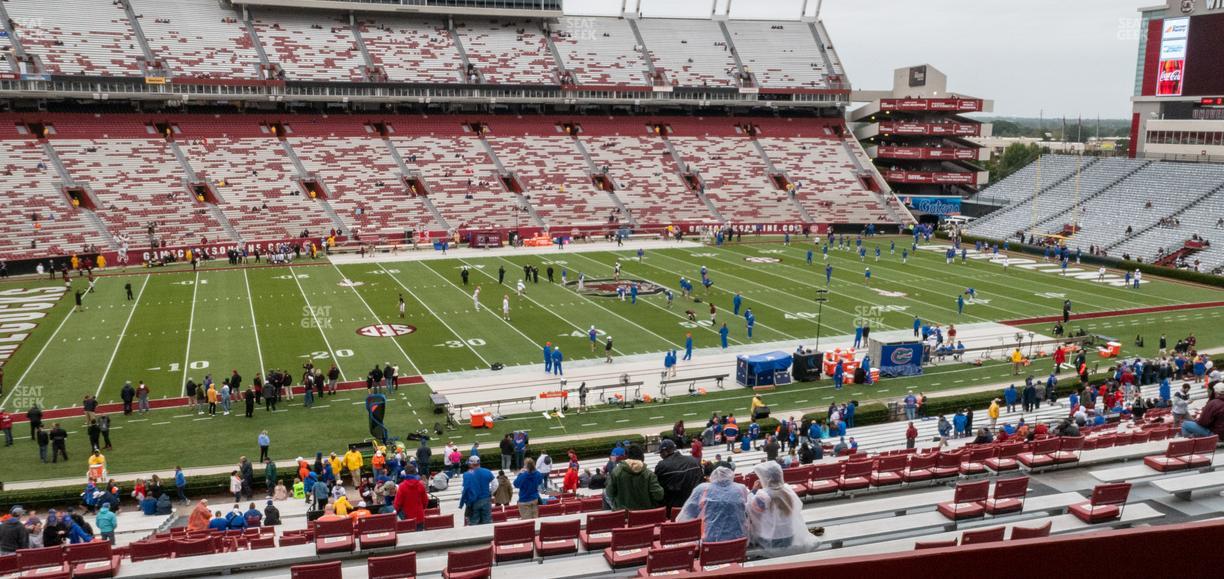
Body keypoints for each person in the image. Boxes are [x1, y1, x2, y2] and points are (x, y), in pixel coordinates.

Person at [747, 462, 820, 555]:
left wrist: (754, 490)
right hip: (790, 537)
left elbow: (750, 509)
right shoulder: (788, 489)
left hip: (771, 540)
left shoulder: (763, 496)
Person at [676, 467, 749, 542]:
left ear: (712, 477)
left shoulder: (702, 489)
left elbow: (686, 515)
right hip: (739, 541)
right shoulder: (740, 488)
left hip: (710, 542)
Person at [654, 439, 703, 518]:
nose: (660, 456)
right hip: (693, 508)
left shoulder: (662, 465)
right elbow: (701, 483)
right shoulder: (693, 461)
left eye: (660, 453)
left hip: (673, 511)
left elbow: (658, 489)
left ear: (665, 452)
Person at [605, 444, 663, 511]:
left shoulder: (616, 472)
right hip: (646, 515)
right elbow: (658, 495)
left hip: (624, 516)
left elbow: (609, 493)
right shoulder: (649, 474)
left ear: (626, 457)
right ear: (642, 457)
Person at [458, 456, 494, 526]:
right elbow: (495, 484)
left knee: (474, 523)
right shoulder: (487, 471)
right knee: (488, 522)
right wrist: (490, 493)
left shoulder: (467, 474)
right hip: (486, 499)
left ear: (470, 464)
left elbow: (463, 489)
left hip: (473, 501)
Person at [393, 465, 428, 530]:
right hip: (420, 516)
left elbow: (397, 504)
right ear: (415, 472)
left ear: (405, 473)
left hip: (407, 518)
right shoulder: (421, 485)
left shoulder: (402, 486)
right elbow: (425, 501)